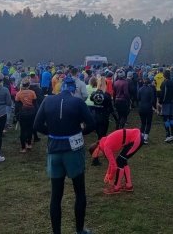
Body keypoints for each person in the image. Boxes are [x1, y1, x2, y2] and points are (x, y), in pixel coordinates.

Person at [34, 76, 95, 234]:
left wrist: (52, 133)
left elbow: (37, 125)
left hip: (54, 151)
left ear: (60, 88)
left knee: (56, 195)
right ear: (73, 89)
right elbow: (92, 124)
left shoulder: (48, 101)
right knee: (79, 191)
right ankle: (79, 230)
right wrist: (80, 132)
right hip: (73, 151)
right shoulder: (77, 102)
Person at [89, 128, 144, 195]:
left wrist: (110, 177)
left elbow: (114, 166)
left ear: (98, 150)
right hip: (136, 136)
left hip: (136, 139)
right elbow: (111, 161)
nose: (99, 157)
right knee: (122, 161)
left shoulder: (106, 147)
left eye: (97, 155)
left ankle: (116, 187)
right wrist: (108, 174)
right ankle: (128, 185)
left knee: (120, 161)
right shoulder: (104, 143)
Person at [89, 77, 115, 166]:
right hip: (103, 118)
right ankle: (97, 158)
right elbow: (111, 109)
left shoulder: (93, 94)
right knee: (102, 139)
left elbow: (92, 99)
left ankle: (99, 157)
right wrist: (116, 119)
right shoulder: (107, 95)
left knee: (100, 138)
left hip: (95, 117)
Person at [15, 79, 38, 153]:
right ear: (29, 85)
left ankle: (23, 148)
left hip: (23, 113)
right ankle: (29, 144)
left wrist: (16, 115)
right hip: (32, 113)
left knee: (23, 130)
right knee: (30, 128)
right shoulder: (32, 92)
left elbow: (16, 106)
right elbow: (35, 104)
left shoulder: (18, 94)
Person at [159, 70, 173, 142]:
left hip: (166, 102)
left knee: (165, 118)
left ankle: (168, 134)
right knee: (171, 117)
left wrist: (161, 101)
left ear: (164, 75)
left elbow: (163, 93)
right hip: (172, 101)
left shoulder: (164, 83)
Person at [137, 77, 156, 144]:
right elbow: (153, 100)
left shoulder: (140, 89)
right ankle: (145, 138)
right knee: (148, 123)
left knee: (143, 123)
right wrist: (154, 107)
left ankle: (141, 137)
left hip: (141, 107)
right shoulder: (151, 89)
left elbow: (138, 98)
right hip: (148, 107)